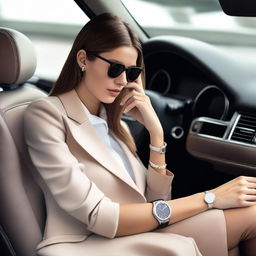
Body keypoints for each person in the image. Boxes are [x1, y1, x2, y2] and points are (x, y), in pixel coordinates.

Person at [24, 13, 256, 256]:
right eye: (115, 69)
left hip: (138, 231)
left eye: (132, 72)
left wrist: (156, 133)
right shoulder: (45, 115)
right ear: (83, 59)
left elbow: (156, 202)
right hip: (89, 242)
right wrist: (210, 198)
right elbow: (99, 216)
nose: (123, 81)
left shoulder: (111, 119)